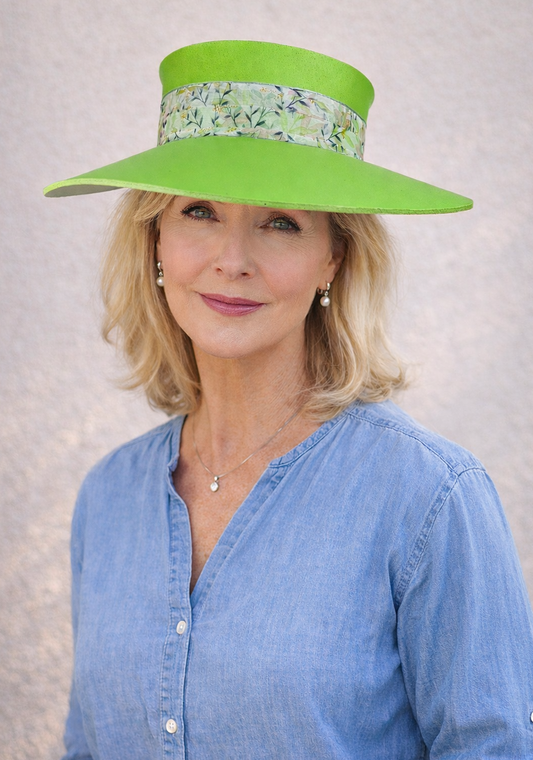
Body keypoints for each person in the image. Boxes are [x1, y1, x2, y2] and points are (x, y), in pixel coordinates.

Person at [45, 40, 533, 759]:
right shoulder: (108, 498)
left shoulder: (425, 495)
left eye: (280, 222)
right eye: (199, 210)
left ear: (332, 256)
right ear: (154, 239)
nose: (232, 259)